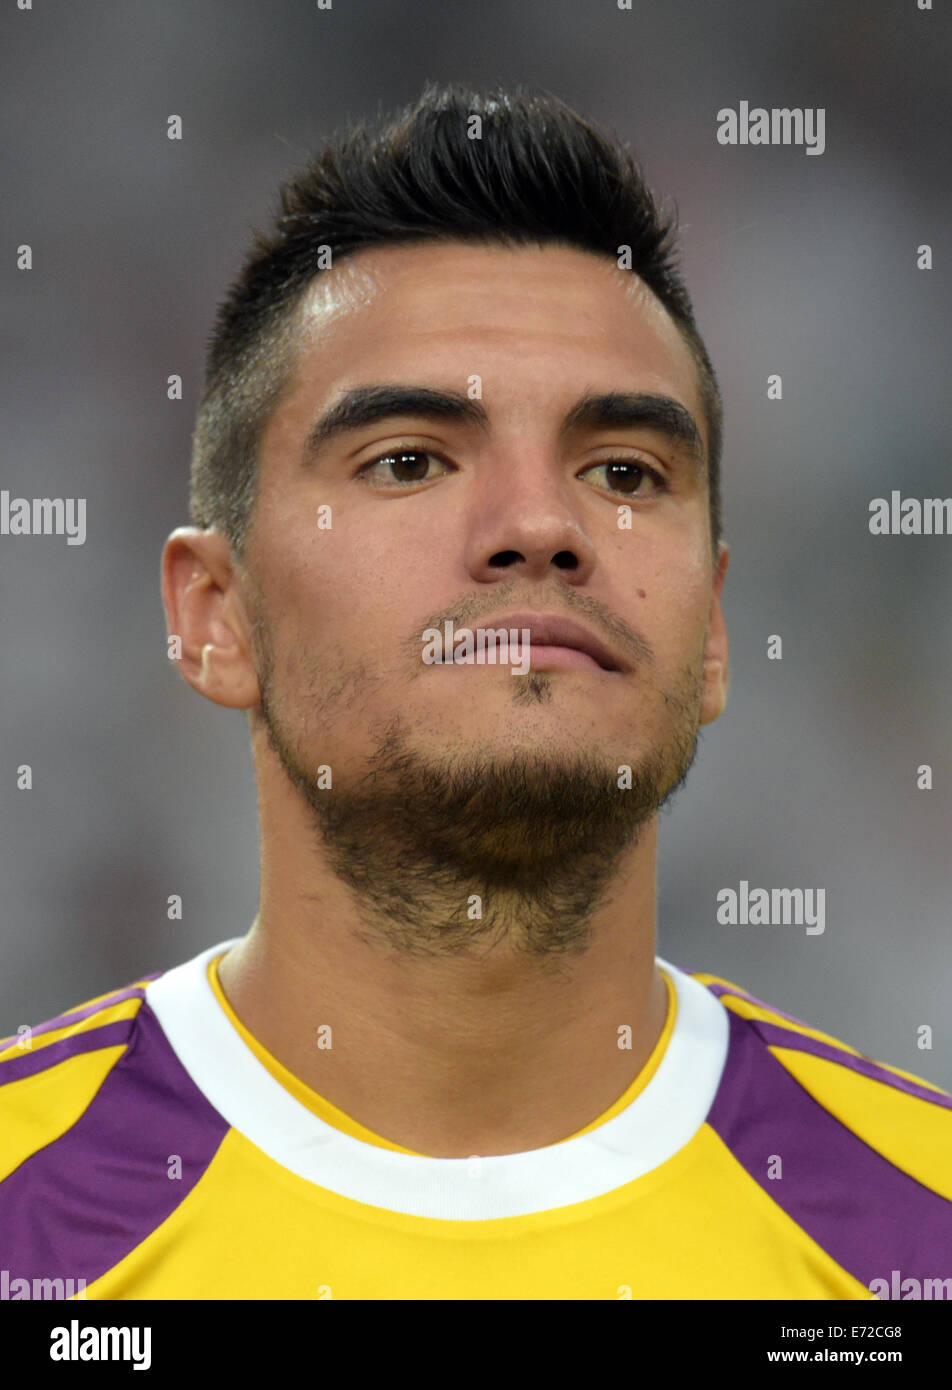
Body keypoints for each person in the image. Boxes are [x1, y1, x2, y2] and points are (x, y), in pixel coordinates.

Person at [2, 83, 949, 1302]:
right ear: (213, 616)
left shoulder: (916, 1232)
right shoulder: (31, 1217)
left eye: (622, 468)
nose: (540, 525)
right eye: (408, 460)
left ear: (713, 630)